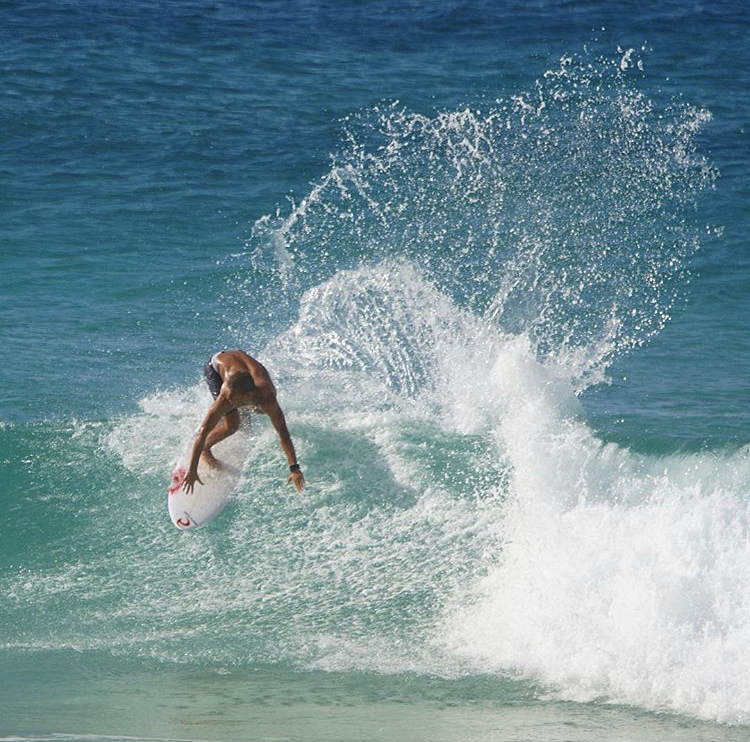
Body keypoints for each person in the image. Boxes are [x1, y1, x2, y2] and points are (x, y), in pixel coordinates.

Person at [182, 349, 305, 494]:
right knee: (232, 426)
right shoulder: (226, 396)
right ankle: (205, 449)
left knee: (260, 411)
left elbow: (283, 434)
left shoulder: (268, 398)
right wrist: (192, 470)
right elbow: (202, 434)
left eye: (233, 399)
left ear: (248, 395)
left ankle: (237, 411)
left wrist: (294, 469)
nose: (229, 401)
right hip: (216, 366)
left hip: (242, 370)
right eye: (229, 397)